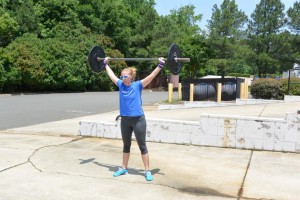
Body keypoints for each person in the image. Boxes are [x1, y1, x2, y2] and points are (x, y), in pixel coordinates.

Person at [103, 56, 165, 181]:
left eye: (125, 76)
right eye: (122, 77)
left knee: (142, 146)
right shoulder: (121, 85)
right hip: (125, 120)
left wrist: (160, 65)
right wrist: (105, 64)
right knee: (126, 145)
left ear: (131, 77)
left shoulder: (138, 85)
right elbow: (112, 76)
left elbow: (151, 76)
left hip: (138, 120)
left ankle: (147, 170)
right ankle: (124, 168)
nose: (122, 78)